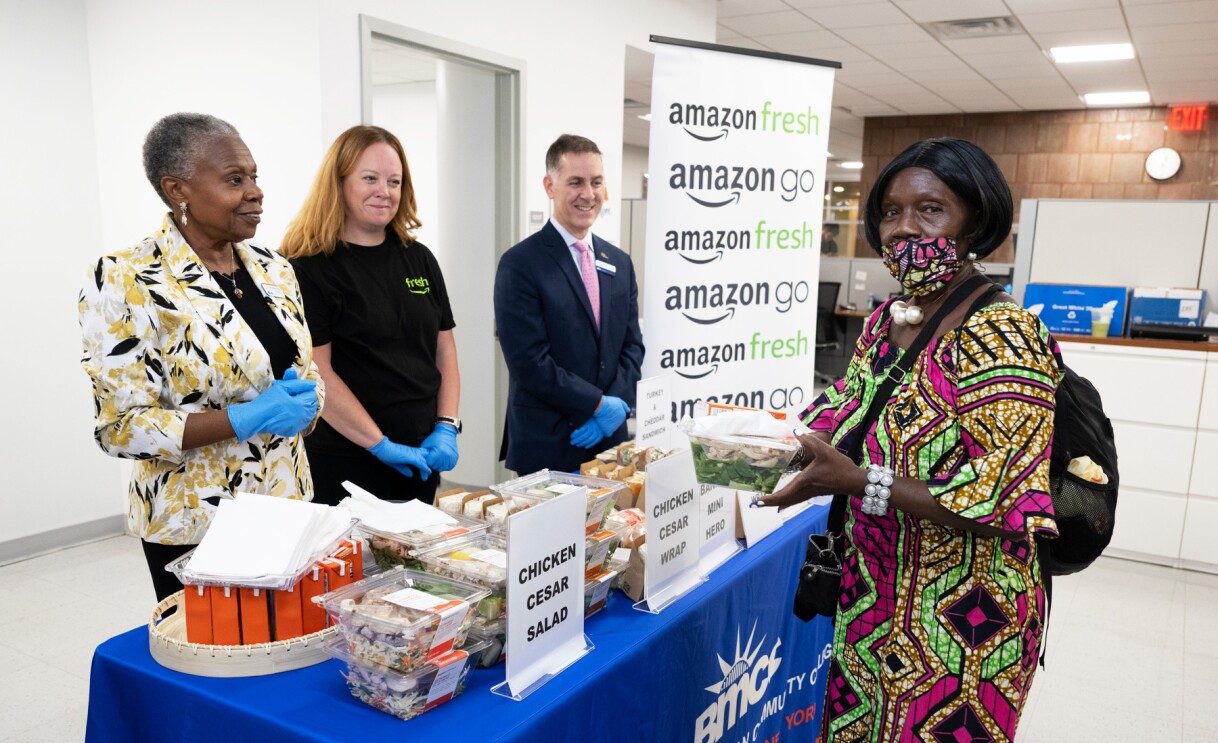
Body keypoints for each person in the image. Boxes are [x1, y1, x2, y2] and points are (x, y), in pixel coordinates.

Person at [760, 137, 1060, 742]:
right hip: (872, 599)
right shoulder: (886, 319)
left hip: (966, 622)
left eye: (930, 209)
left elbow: (1005, 496)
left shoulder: (1003, 333)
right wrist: (766, 447)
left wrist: (857, 481)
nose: (904, 228)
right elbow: (845, 409)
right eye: (891, 212)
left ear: (975, 220)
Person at [79, 113, 323, 602]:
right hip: (197, 523)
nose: (256, 192)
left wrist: (310, 402)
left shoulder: (274, 269)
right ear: (178, 190)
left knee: (289, 644)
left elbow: (305, 370)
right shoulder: (128, 276)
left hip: (287, 508)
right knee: (217, 651)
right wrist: (243, 418)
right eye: (235, 180)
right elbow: (120, 428)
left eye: (254, 177)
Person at [282, 125, 459, 505]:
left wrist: (447, 425)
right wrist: (379, 444)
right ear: (339, 183)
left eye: (394, 181)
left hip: (422, 455)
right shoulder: (308, 268)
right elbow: (318, 371)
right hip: (346, 460)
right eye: (370, 178)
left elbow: (444, 349)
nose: (385, 191)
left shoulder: (419, 259)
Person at [494, 134, 644, 474]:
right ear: (550, 186)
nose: (588, 194)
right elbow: (529, 361)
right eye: (575, 182)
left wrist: (616, 407)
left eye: (596, 182)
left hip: (610, 447)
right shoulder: (521, 264)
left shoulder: (619, 262)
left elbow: (632, 346)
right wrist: (596, 404)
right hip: (549, 442)